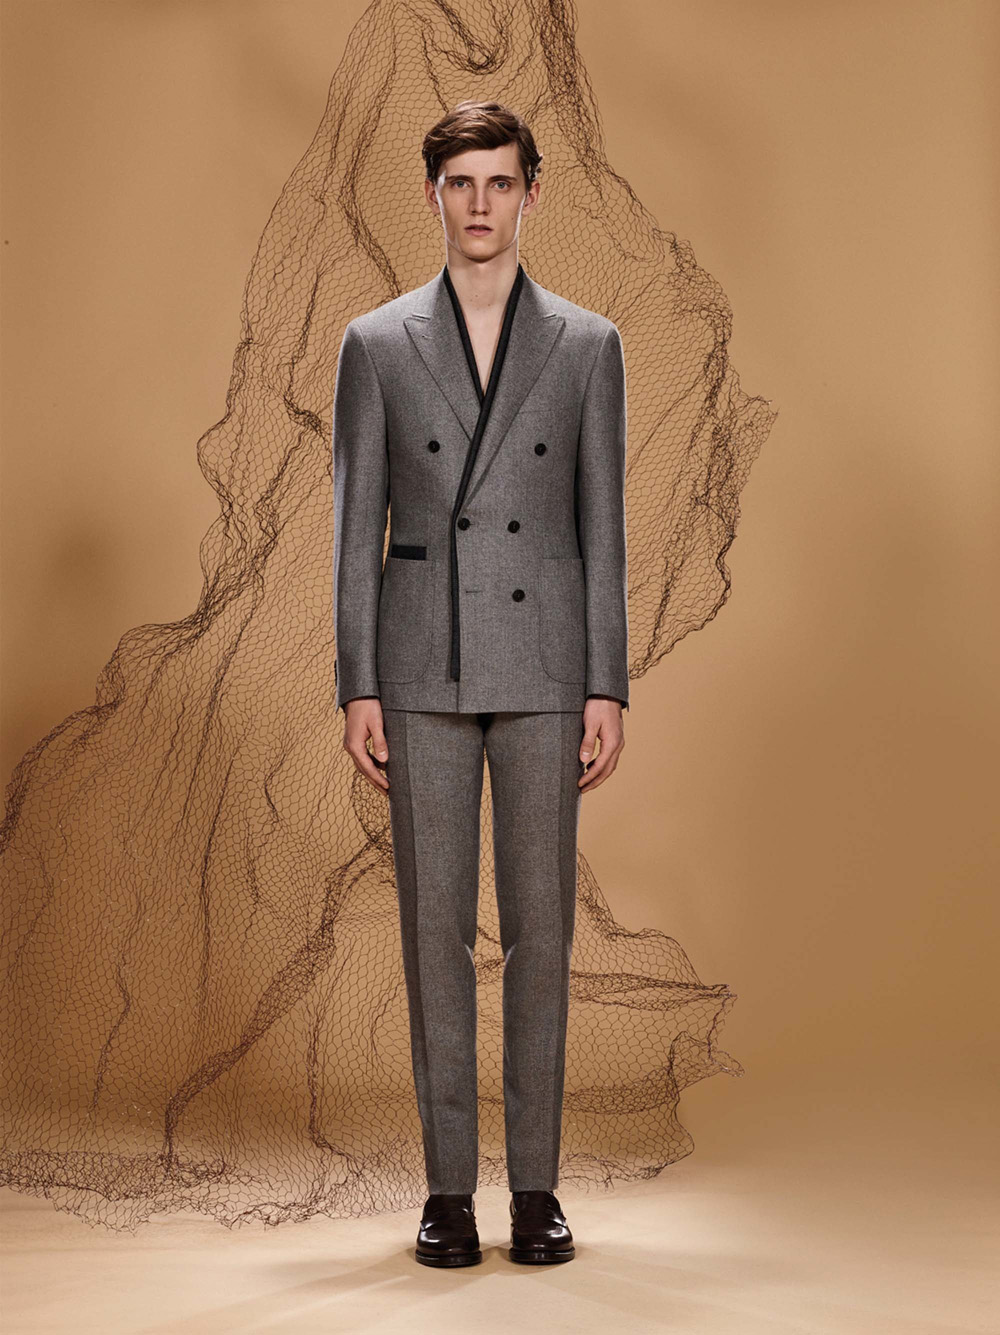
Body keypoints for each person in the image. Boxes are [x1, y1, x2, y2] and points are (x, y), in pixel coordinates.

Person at [332, 100, 628, 1266]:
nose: (479, 204)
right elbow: (355, 529)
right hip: (418, 666)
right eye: (460, 183)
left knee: (540, 936)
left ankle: (536, 1191)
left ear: (530, 195)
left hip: (548, 665)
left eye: (499, 182)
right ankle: (448, 1193)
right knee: (433, 935)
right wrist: (357, 682)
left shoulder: (590, 345)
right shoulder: (374, 342)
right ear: (432, 196)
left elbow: (602, 528)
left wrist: (607, 683)